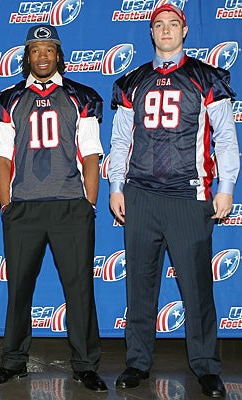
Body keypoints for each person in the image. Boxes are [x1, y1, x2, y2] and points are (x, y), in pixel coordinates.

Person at [108, 4, 239, 398]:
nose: (166, 31)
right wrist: (117, 185)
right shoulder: (132, 81)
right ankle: (137, 361)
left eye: (173, 25)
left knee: (197, 287)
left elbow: (226, 138)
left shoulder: (206, 78)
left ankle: (205, 365)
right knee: (140, 285)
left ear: (184, 31)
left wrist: (226, 186)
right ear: (152, 33)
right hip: (141, 194)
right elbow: (120, 140)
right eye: (159, 25)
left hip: (188, 194)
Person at [0, 25, 107, 392]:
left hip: (70, 204)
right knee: (19, 287)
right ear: (27, 56)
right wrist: (7, 205)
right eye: (35, 50)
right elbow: (2, 157)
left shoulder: (80, 96)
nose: (42, 57)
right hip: (24, 207)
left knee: (79, 287)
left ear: (58, 54)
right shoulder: (9, 99)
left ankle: (85, 364)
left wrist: (88, 204)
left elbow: (90, 154)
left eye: (48, 50)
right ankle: (13, 361)